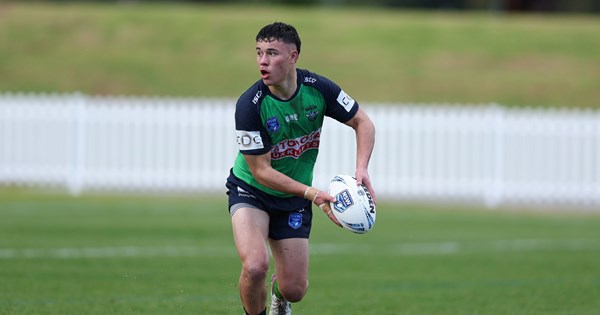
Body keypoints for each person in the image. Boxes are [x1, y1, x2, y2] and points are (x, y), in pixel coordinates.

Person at [226, 21, 376, 315]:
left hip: (294, 198)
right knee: (255, 265)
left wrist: (362, 169)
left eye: (272, 53)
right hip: (252, 191)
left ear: (293, 56)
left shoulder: (318, 89)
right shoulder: (250, 105)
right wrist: (312, 193)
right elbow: (261, 172)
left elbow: (363, 122)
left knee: (295, 289)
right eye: (258, 53)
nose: (263, 61)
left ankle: (278, 297)